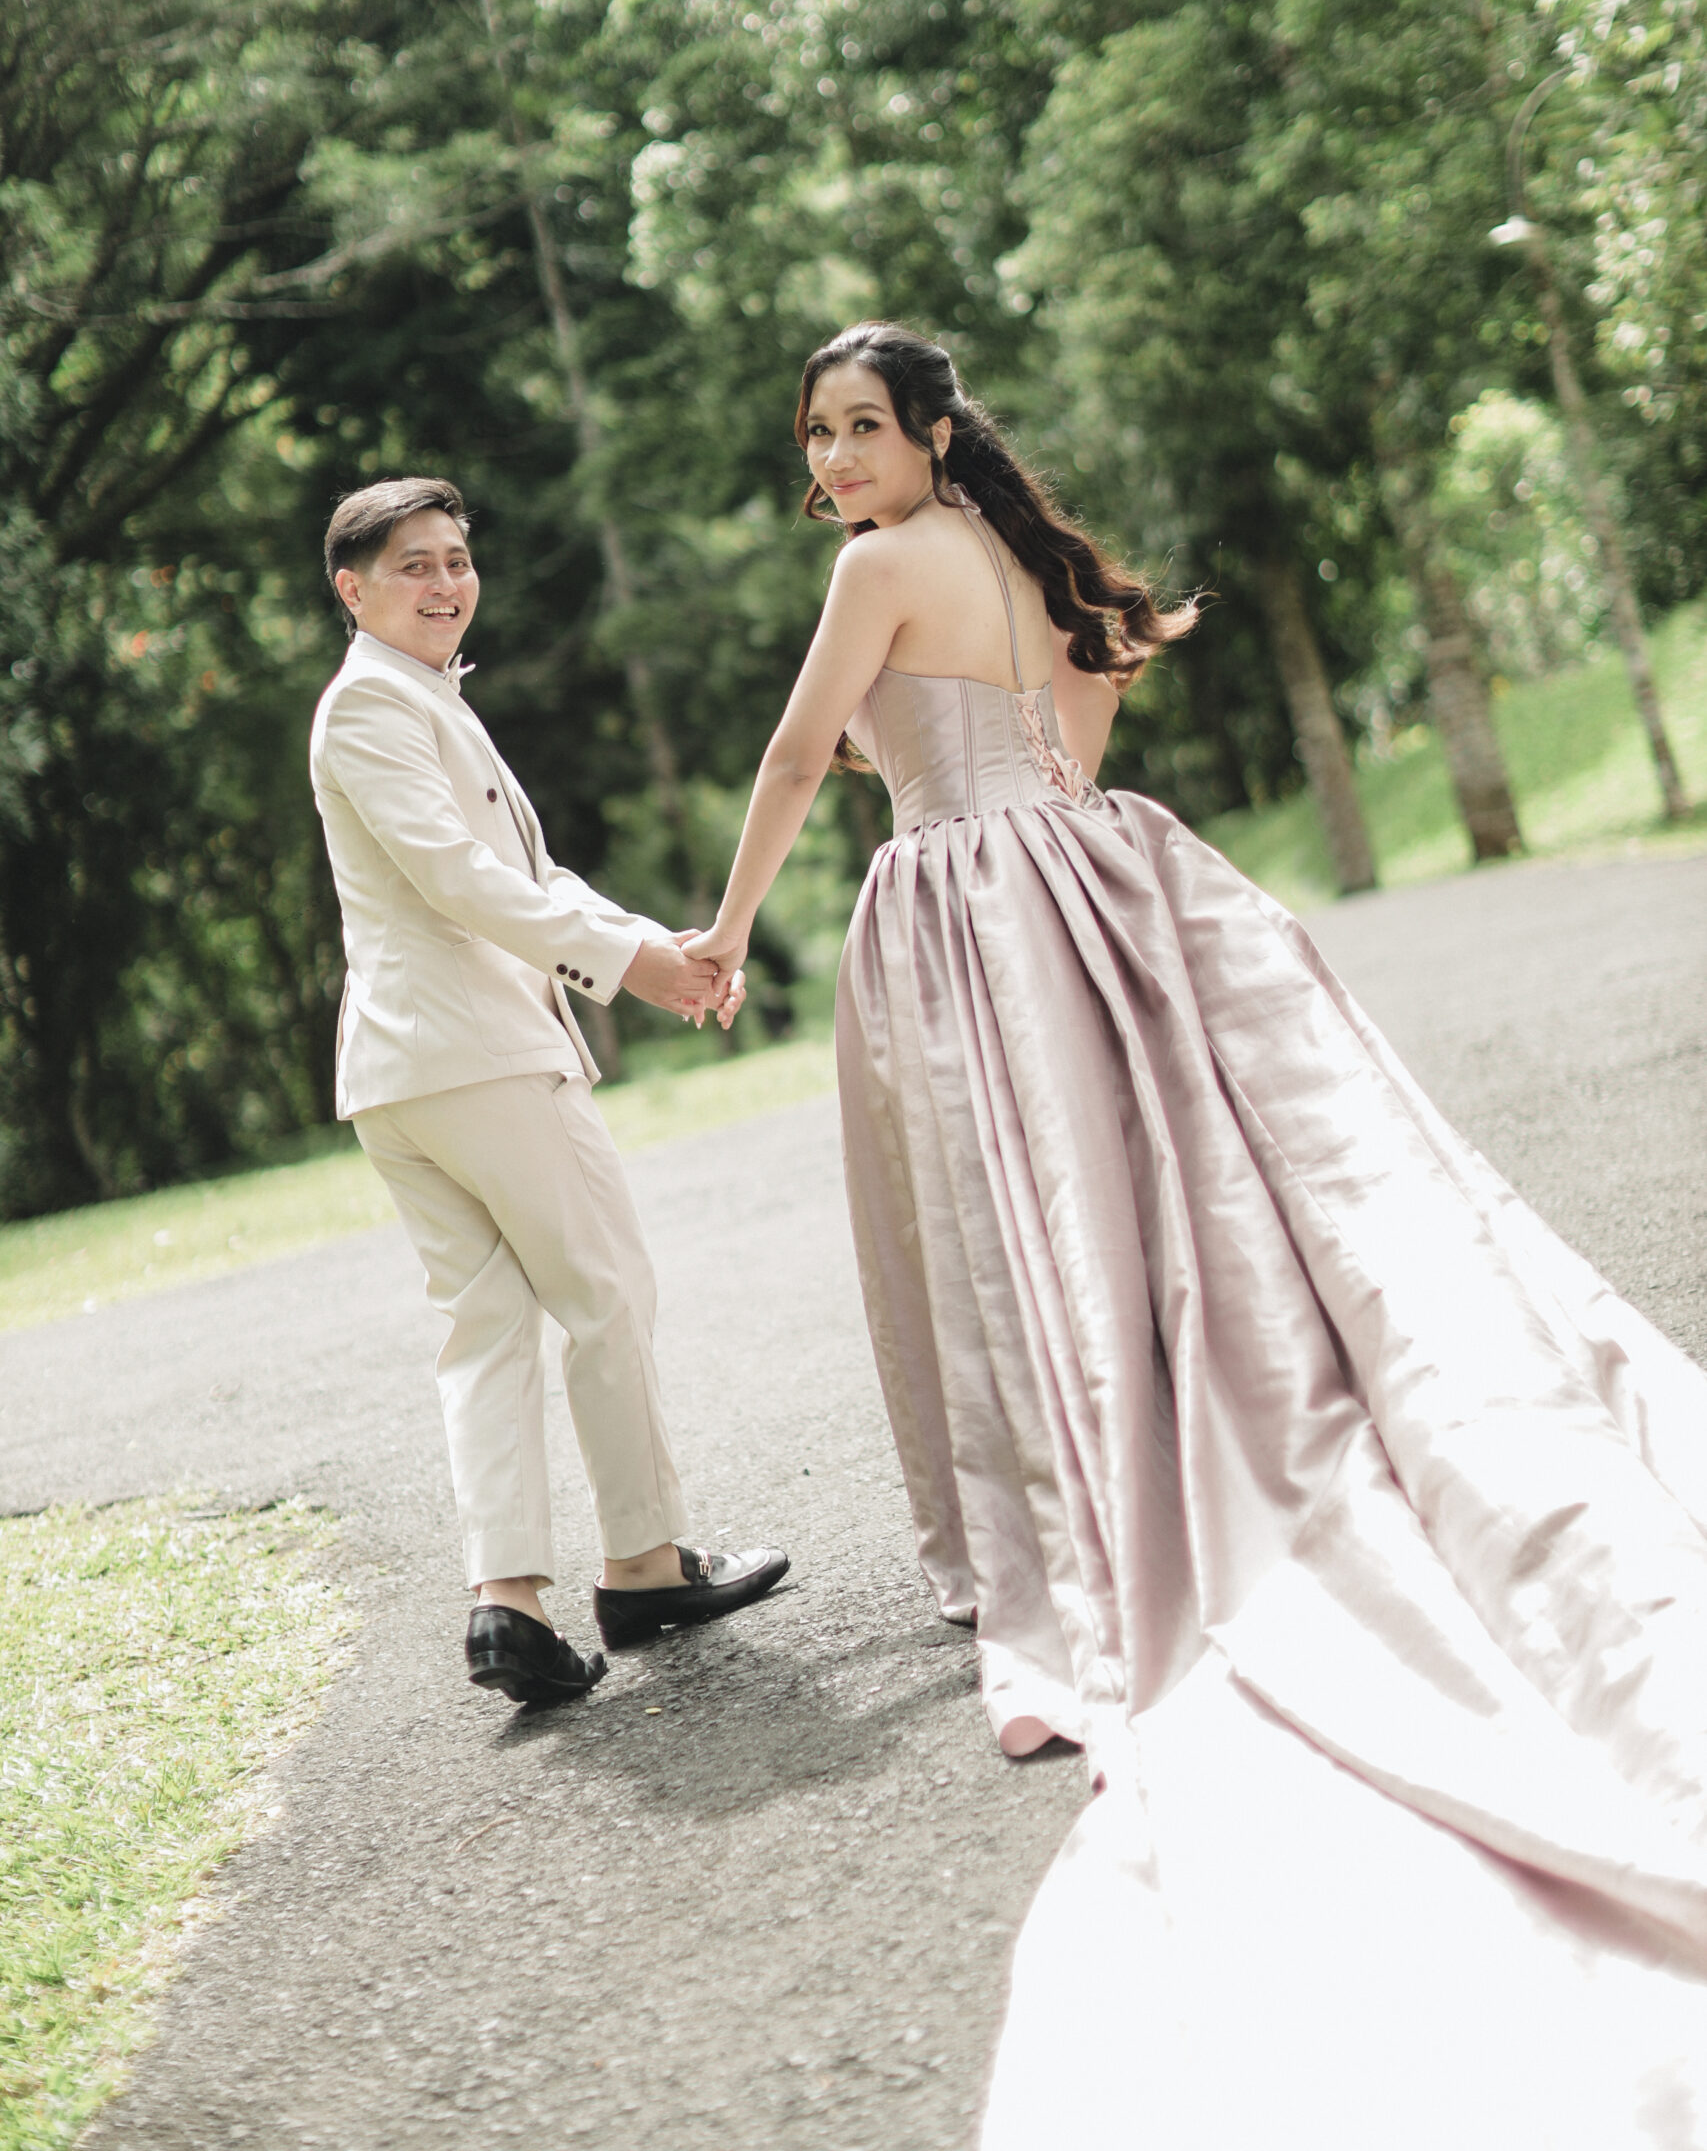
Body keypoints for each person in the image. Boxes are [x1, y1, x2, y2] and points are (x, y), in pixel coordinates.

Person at [687, 323, 1707, 2143]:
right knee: (1152, 1201)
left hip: (964, 907)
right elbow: (1060, 748)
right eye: (816, 437)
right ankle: (1175, 1448)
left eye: (860, 429)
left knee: (1021, 1220)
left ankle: (1091, 1495)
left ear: (931, 433)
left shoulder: (877, 568)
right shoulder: (1030, 564)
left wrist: (721, 932)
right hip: (1087, 873)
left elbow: (784, 757)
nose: (834, 463)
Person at [309, 477, 787, 1708]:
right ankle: (644, 1564)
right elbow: (461, 883)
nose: (446, 583)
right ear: (352, 589)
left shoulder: (421, 699)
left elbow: (529, 872)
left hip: (411, 1070)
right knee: (606, 1289)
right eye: (414, 565)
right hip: (475, 1056)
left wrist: (657, 949)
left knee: (486, 1327)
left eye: (457, 559)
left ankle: (509, 1605)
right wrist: (632, 967)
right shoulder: (371, 704)